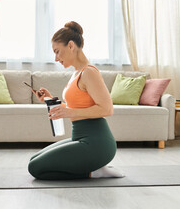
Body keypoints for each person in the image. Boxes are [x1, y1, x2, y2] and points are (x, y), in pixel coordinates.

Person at [28, 21, 124, 180]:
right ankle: (94, 168)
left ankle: (94, 171)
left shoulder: (89, 72)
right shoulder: (77, 73)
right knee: (34, 160)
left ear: (71, 46)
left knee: (35, 168)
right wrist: (49, 100)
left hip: (97, 143)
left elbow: (107, 109)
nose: (56, 58)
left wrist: (69, 111)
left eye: (57, 51)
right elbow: (76, 106)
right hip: (80, 137)